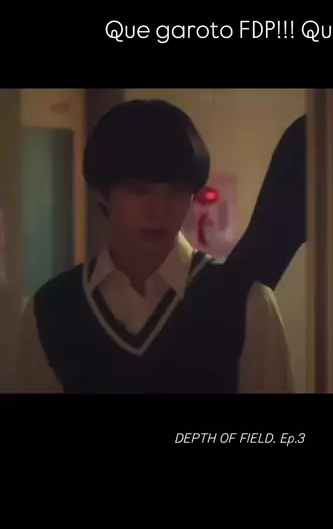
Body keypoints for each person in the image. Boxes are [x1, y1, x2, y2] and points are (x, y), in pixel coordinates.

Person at [19, 99, 294, 393]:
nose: (159, 209)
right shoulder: (51, 310)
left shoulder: (248, 304)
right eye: (140, 190)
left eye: (176, 191)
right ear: (102, 194)